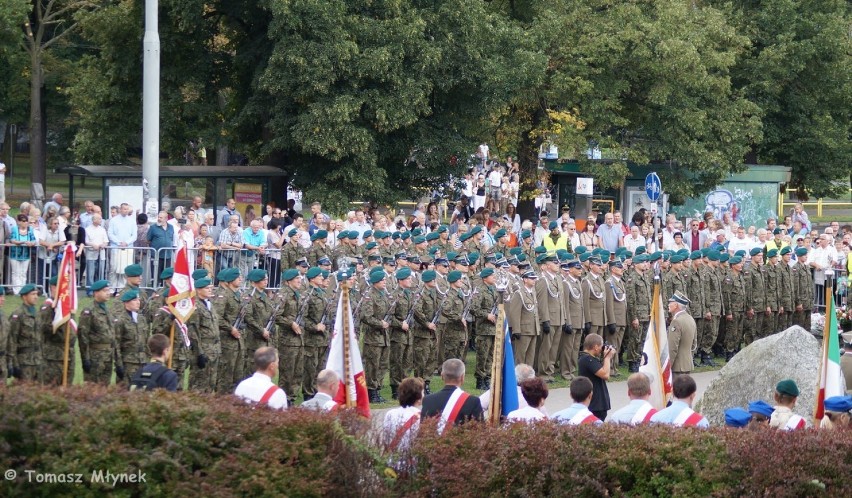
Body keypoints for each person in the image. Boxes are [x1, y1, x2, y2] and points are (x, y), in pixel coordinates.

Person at [421, 358, 484, 431]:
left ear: (442, 376)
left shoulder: (428, 400)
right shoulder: (473, 402)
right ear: (462, 377)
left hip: (431, 442)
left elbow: (423, 431)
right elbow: (480, 433)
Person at [79, 280, 121, 385]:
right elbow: (82, 336)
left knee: (104, 387)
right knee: (93, 387)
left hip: (108, 356)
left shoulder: (108, 311)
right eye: (104, 291)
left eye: (108, 290)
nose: (108, 293)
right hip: (95, 356)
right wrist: (86, 358)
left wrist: (118, 361)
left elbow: (113, 336)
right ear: (96, 293)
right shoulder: (89, 311)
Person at [7, 284, 42, 381]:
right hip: (23, 362)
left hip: (37, 361)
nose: (36, 297)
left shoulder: (37, 314)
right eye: (33, 294)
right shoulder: (18, 314)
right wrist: (14, 364)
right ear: (24, 297)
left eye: (37, 294)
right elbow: (12, 341)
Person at [577, 333, 614, 421]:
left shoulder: (588, 358)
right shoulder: (587, 359)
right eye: (601, 347)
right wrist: (607, 358)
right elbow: (605, 375)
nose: (602, 349)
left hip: (596, 403)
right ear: (596, 347)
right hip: (595, 404)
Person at [383, 377, 424, 453]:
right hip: (411, 460)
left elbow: (386, 438)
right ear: (418, 397)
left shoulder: (390, 413)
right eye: (423, 392)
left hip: (392, 458)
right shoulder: (420, 416)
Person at [667, 291, 697, 374]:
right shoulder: (690, 319)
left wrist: (667, 367)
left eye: (670, 303)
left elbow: (672, 348)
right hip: (687, 364)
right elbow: (694, 344)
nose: (668, 305)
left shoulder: (676, 322)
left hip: (677, 367)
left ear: (676, 305)